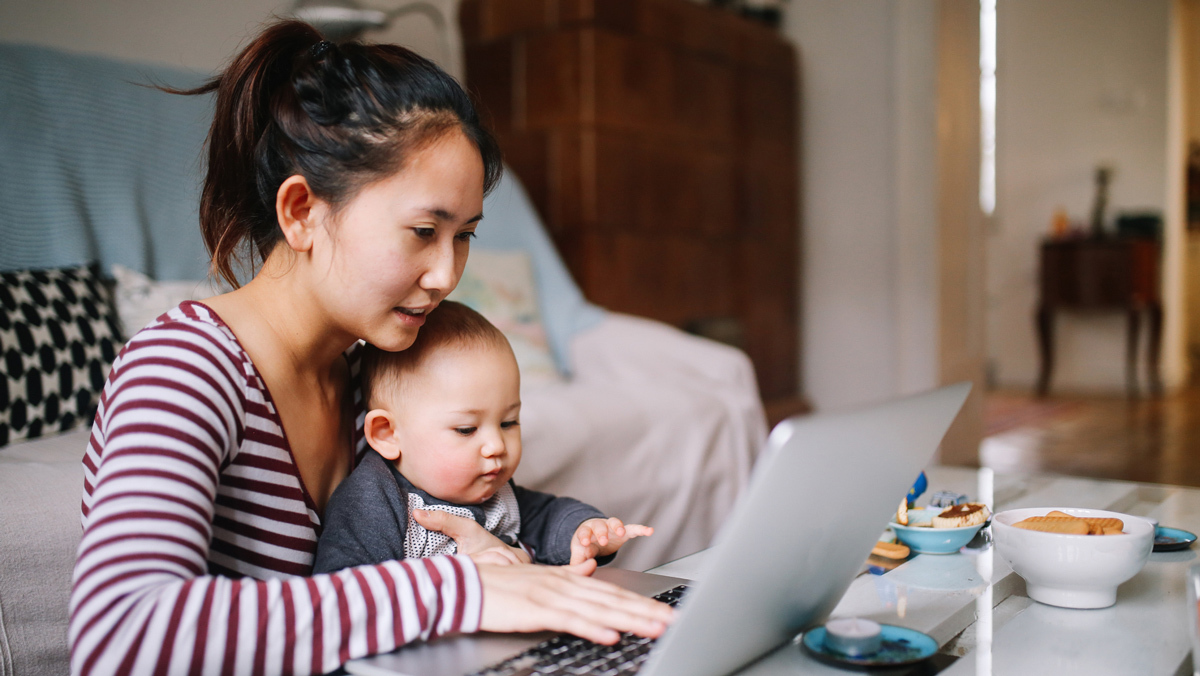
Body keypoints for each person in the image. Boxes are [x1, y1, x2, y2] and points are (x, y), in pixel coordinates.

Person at [68, 20, 673, 676]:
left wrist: (501, 564)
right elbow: (120, 635)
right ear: (302, 212)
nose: (446, 276)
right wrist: (454, 591)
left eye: (464, 236)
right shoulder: (183, 369)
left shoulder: (376, 379)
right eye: (423, 231)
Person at [313, 301, 652, 574]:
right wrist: (455, 576)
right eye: (466, 429)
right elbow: (347, 593)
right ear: (387, 434)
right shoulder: (373, 502)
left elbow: (547, 516)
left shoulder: (494, 491)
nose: (496, 446)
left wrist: (585, 531)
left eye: (508, 422)